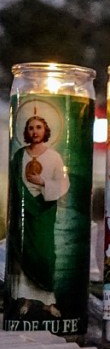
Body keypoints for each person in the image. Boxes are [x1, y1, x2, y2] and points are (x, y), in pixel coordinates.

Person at [8, 113, 70, 318]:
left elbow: (62, 184)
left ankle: (47, 303)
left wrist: (42, 182)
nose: (35, 131)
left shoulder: (53, 157)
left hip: (43, 213)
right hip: (23, 213)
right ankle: (25, 300)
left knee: (45, 256)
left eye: (39, 127)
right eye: (31, 128)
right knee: (24, 253)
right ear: (27, 132)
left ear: (46, 131)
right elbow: (14, 186)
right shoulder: (19, 156)